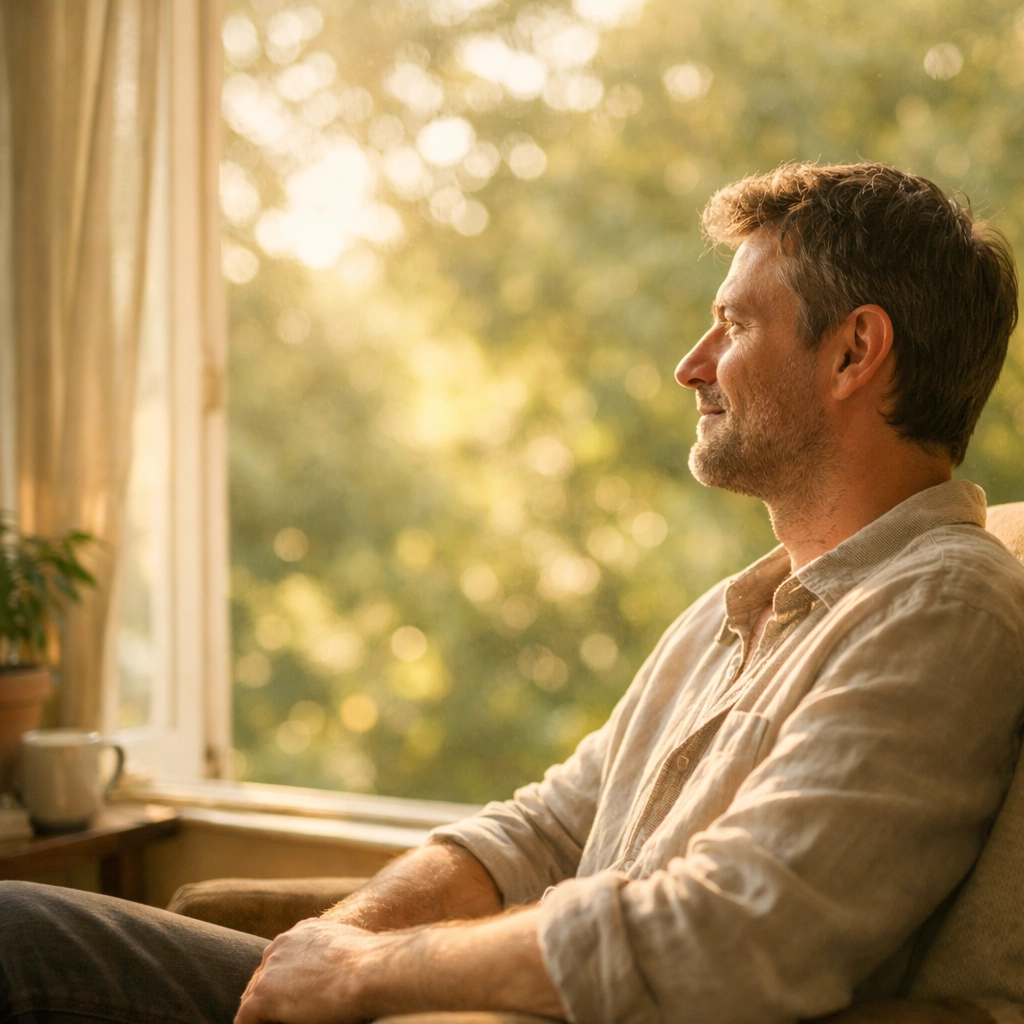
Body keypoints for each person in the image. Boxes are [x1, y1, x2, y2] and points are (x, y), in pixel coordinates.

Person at [1, 161, 1022, 1024]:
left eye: (730, 324)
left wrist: (371, 972)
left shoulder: (941, 606)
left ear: (853, 351)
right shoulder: (739, 613)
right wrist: (329, 941)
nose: (689, 365)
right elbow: (536, 830)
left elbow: (735, 928)